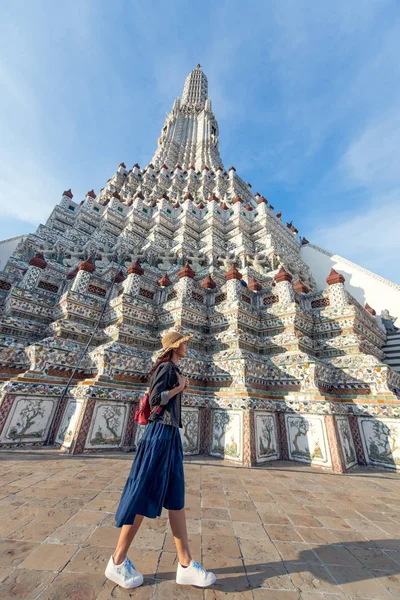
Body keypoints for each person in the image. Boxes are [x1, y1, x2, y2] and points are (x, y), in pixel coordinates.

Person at [105, 330, 216, 589]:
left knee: (175, 494)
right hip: (159, 434)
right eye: (183, 343)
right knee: (144, 492)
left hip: (169, 435)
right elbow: (156, 400)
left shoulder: (172, 369)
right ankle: (118, 560)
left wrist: (180, 386)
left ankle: (186, 564)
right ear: (173, 347)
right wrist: (179, 388)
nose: (187, 346)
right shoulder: (166, 368)